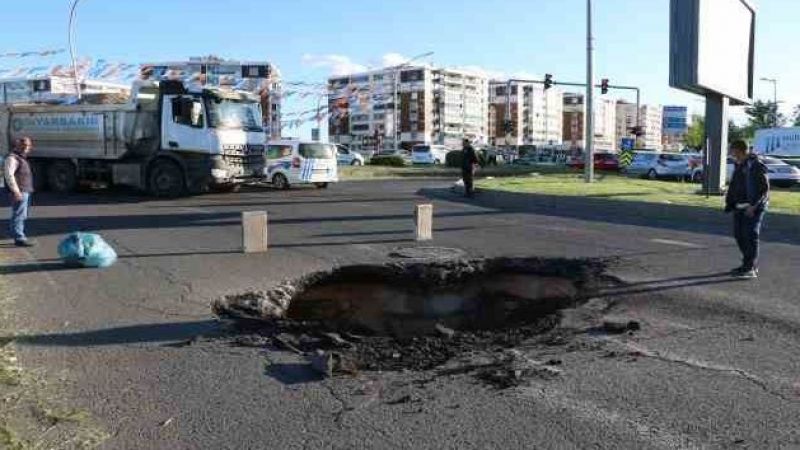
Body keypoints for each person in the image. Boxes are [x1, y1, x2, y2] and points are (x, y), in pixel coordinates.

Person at [724, 140, 769, 279]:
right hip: (739, 206)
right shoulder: (739, 164)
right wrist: (730, 201)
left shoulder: (755, 165)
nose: (730, 152)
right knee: (739, 235)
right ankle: (747, 264)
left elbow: (764, 189)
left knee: (750, 235)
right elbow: (735, 185)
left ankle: (750, 268)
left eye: (732, 150)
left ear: (739, 150)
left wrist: (753, 206)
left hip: (753, 207)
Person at [4, 137, 36, 247]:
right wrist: (16, 191)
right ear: (18, 145)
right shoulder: (12, 158)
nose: (26, 148)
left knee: (22, 214)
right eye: (24, 145)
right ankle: (19, 238)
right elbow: (9, 176)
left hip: (25, 190)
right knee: (19, 214)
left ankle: (19, 235)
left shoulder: (22, 158)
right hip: (20, 191)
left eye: (28, 146)